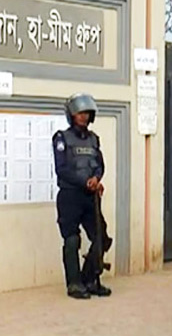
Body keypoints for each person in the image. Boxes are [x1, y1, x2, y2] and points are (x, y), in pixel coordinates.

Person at [52, 93, 112, 300]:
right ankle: (74, 284)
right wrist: (84, 181)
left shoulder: (94, 139)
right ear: (72, 115)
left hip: (90, 196)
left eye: (87, 113)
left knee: (101, 237)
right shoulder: (61, 138)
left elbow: (99, 165)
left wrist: (96, 178)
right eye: (80, 113)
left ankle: (90, 279)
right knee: (72, 239)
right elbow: (62, 169)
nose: (84, 117)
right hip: (70, 195)